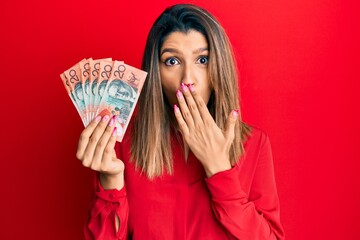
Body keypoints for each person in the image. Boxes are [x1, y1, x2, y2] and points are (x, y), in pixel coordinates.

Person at [76, 4, 285, 240]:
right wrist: (110, 179)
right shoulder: (121, 144)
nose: (188, 79)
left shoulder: (255, 144)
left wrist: (220, 171)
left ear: (220, 66)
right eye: (172, 61)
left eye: (202, 59)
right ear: (156, 71)